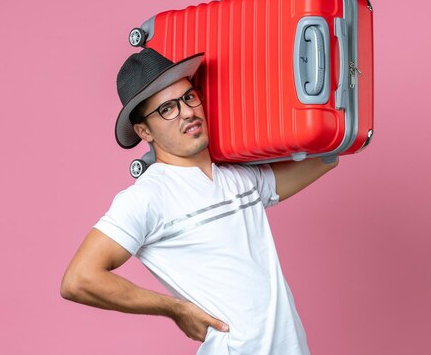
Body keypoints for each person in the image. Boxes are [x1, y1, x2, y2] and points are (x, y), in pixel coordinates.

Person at [60, 48, 338, 355]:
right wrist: (175, 309)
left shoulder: (239, 179)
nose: (188, 112)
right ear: (144, 131)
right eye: (167, 109)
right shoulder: (149, 196)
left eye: (189, 97)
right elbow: (78, 279)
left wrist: (342, 113)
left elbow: (327, 158)